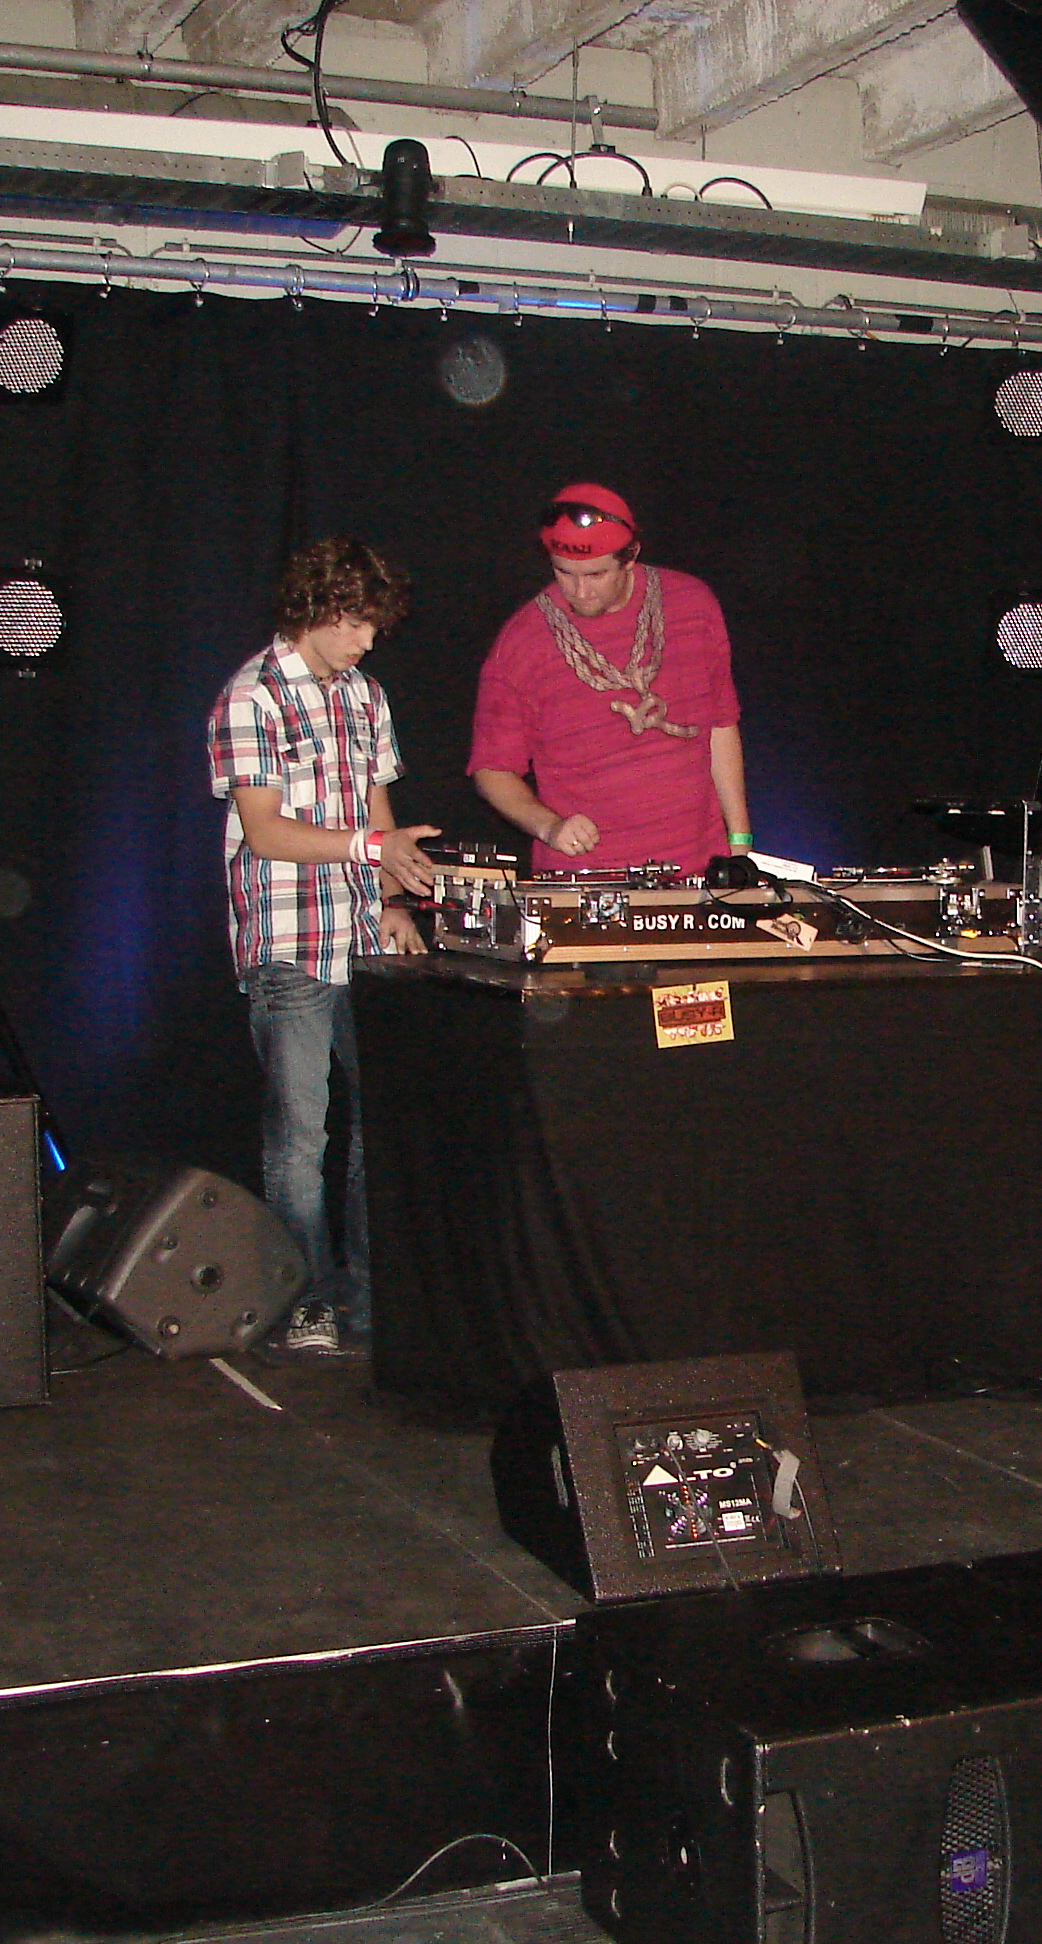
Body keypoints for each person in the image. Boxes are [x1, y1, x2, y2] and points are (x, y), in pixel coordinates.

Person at [206, 535, 438, 1361]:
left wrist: (395, 897)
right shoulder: (251, 696)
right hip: (287, 943)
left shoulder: (365, 695)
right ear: (316, 609)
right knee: (300, 1143)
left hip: (361, 941)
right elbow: (266, 832)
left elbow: (378, 811)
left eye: (375, 626)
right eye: (356, 623)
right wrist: (371, 850)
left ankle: (370, 1300)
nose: (367, 642)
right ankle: (304, 1302)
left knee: (379, 1127)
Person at [469, 484, 753, 876]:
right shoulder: (521, 641)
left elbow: (720, 725)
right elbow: (491, 769)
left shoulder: (693, 604)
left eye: (596, 574)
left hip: (700, 867)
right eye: (564, 573)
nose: (580, 591)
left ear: (630, 556)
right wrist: (549, 827)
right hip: (587, 880)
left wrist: (740, 842)